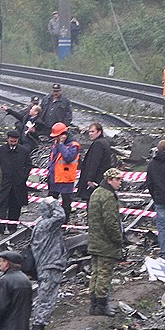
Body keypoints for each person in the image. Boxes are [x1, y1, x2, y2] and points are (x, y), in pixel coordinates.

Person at [88, 167, 125, 317]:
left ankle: (94, 305)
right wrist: (119, 239)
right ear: (109, 180)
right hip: (106, 242)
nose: (120, 183)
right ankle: (102, 305)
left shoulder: (96, 193)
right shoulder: (109, 196)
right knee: (104, 274)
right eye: (118, 180)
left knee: (95, 273)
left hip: (94, 239)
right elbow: (111, 222)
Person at [30, 197, 67, 330]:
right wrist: (54, 202)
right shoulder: (47, 225)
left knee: (45, 296)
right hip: (50, 266)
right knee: (47, 298)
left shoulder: (40, 225)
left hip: (47, 265)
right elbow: (61, 216)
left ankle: (39, 328)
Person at [0, 130, 31, 235]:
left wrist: (23, 176)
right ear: (7, 139)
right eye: (11, 141)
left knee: (15, 206)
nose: (13, 143)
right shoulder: (0, 151)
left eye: (15, 141)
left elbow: (28, 164)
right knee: (1, 205)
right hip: (3, 183)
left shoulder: (24, 151)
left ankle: (12, 227)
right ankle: (0, 227)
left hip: (18, 184)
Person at [47, 123, 81, 223]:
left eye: (57, 136)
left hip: (66, 179)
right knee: (50, 203)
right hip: (54, 178)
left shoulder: (73, 146)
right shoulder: (56, 144)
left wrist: (61, 145)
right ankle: (50, 223)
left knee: (66, 204)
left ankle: (64, 225)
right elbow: (53, 160)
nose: (55, 139)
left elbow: (68, 157)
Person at [76, 122, 113, 199]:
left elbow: (94, 163)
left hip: (95, 180)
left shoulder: (98, 144)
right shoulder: (104, 142)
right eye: (89, 131)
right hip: (101, 179)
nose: (90, 134)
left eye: (92, 131)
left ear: (99, 132)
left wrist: (90, 179)